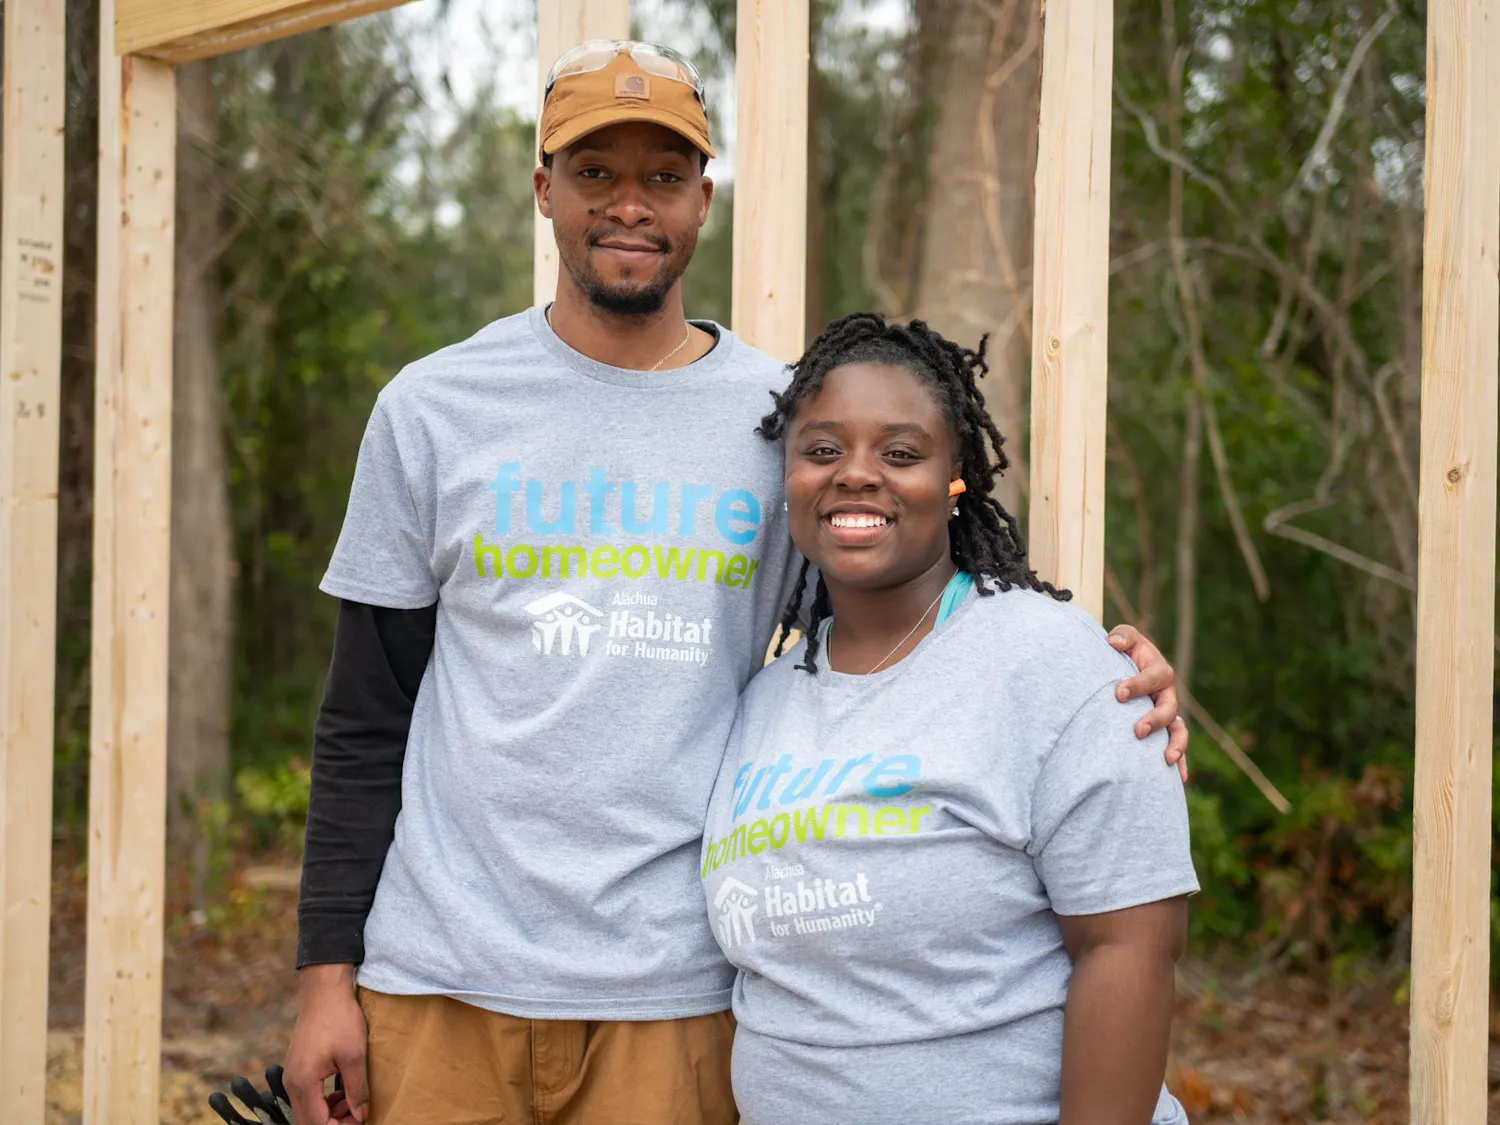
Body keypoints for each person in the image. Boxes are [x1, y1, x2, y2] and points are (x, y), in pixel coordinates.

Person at [283, 40, 1189, 1125]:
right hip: (437, 982)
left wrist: (1100, 677)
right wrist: (326, 978)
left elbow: (897, 610)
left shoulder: (780, 422)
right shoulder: (434, 409)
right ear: (543, 190)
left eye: (663, 176)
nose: (629, 206)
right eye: (594, 173)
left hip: (679, 994)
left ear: (702, 200)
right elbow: (365, 714)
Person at [698, 313, 1199, 1124]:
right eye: (822, 450)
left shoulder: (1054, 663)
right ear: (786, 476)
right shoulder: (765, 699)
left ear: (955, 474)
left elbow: (1130, 947)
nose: (857, 474)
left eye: (900, 453)